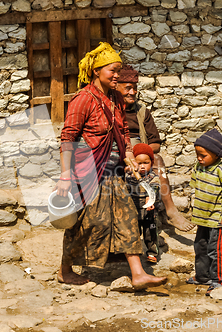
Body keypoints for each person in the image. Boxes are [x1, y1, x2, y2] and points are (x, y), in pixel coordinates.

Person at [56, 42, 167, 288]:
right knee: (88, 223)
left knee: (127, 218)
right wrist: (65, 175)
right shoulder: (83, 100)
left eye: (118, 70)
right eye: (112, 70)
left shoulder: (115, 99)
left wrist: (127, 155)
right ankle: (65, 270)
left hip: (114, 172)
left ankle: (138, 273)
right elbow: (68, 138)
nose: (117, 75)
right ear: (96, 71)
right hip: (89, 172)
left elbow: (123, 131)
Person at [116, 65, 195, 232]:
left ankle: (171, 211)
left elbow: (156, 144)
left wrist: (141, 151)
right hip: (119, 155)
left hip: (139, 155)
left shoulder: (142, 111)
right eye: (128, 88)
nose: (133, 92)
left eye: (135, 88)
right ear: (116, 87)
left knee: (157, 160)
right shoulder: (111, 110)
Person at [185, 129, 222, 296]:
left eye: (203, 155)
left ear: (215, 155)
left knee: (216, 250)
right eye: (197, 154)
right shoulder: (198, 167)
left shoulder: (221, 170)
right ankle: (202, 277)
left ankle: (218, 280)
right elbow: (195, 188)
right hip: (202, 218)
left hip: (215, 217)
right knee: (200, 247)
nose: (199, 158)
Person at [126, 143, 161, 263]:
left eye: (145, 163)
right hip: (133, 211)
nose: (142, 166)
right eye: (139, 163)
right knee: (133, 233)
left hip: (149, 212)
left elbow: (154, 189)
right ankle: (133, 254)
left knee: (150, 233)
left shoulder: (153, 177)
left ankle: (152, 253)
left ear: (152, 163)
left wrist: (149, 199)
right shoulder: (130, 176)